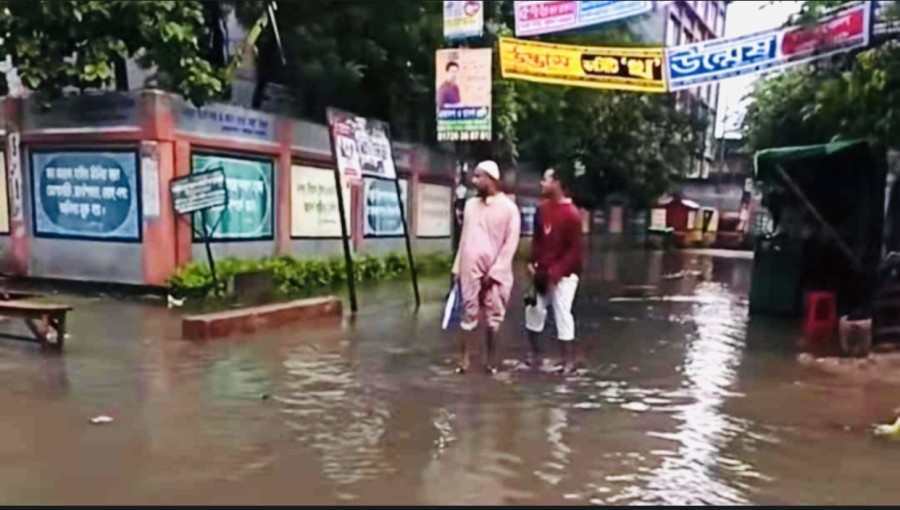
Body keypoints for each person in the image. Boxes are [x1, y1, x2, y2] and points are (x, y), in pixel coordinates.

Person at [452, 160, 521, 374]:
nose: (474, 181)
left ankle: (490, 362)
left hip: (496, 273)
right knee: (468, 313)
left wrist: (496, 272)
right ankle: (464, 361)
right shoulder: (471, 205)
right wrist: (457, 268)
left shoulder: (509, 209)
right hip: (469, 268)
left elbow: (511, 244)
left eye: (478, 176)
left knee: (493, 318)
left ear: (491, 179)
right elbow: (464, 238)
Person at [525, 167, 584, 374]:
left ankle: (568, 361)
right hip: (542, 272)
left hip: (565, 276)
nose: (541, 184)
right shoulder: (541, 210)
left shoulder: (572, 215)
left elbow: (574, 252)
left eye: (546, 180)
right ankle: (535, 357)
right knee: (534, 310)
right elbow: (537, 240)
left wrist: (555, 273)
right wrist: (532, 262)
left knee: (562, 312)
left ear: (557, 184)